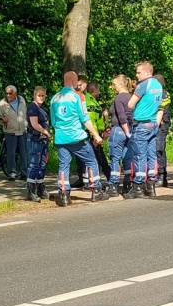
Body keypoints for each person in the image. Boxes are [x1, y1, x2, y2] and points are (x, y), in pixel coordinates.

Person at [51, 71, 105, 206]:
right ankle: (96, 190)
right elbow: (85, 119)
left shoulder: (54, 98)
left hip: (61, 138)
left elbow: (53, 122)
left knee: (64, 165)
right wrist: (96, 135)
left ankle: (64, 194)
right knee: (91, 161)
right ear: (74, 82)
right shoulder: (77, 97)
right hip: (77, 137)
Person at [127, 61, 165, 198]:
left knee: (140, 155)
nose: (136, 75)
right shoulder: (158, 85)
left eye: (139, 72)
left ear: (147, 72)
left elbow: (130, 104)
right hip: (153, 124)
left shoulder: (143, 85)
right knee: (151, 155)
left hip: (141, 124)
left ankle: (138, 186)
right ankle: (151, 186)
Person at [108, 75, 135, 195]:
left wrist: (125, 130)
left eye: (114, 85)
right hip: (130, 130)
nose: (113, 87)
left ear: (120, 84)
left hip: (119, 130)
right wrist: (129, 132)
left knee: (115, 158)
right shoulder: (131, 97)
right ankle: (127, 183)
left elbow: (121, 116)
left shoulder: (119, 98)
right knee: (127, 158)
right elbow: (131, 115)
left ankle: (113, 185)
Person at [0, 85, 29, 181]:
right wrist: (2, 120)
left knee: (24, 153)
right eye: (7, 93)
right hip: (10, 131)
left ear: (15, 94)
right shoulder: (2, 103)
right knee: (11, 153)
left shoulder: (22, 100)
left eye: (10, 93)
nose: (8, 95)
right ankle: (12, 173)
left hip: (22, 131)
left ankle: (24, 173)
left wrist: (27, 124)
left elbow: (25, 113)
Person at [25, 86, 52, 202]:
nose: (41, 97)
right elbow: (34, 124)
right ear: (34, 95)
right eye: (39, 95)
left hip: (43, 140)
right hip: (35, 139)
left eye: (43, 95)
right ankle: (31, 191)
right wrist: (46, 132)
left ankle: (40, 188)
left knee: (42, 164)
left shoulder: (43, 108)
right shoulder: (32, 107)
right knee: (34, 164)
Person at [84, 82, 112, 181]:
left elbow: (98, 119)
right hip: (92, 134)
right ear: (94, 91)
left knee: (99, 157)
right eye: (98, 90)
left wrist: (104, 129)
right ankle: (102, 179)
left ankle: (106, 178)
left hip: (96, 133)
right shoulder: (89, 102)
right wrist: (95, 135)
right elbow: (91, 120)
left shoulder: (94, 101)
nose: (99, 92)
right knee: (97, 158)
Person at [154, 73, 172, 187]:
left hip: (161, 125)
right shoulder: (158, 93)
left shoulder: (163, 94)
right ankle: (159, 175)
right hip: (158, 124)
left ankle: (162, 176)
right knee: (156, 149)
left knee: (159, 149)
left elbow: (160, 110)